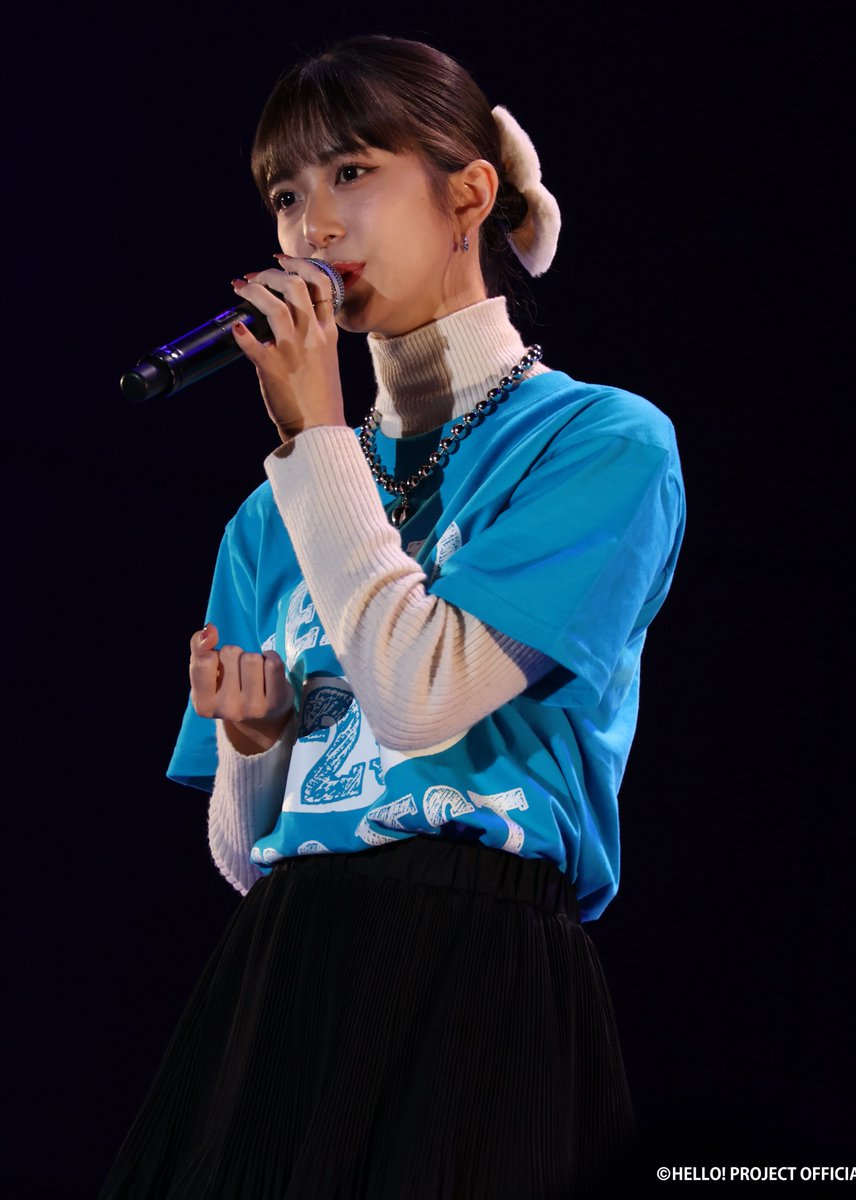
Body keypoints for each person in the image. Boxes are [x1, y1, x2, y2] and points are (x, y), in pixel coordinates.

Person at [101, 34, 685, 1200]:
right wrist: (255, 745)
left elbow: (423, 701)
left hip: (481, 965)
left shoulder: (601, 443)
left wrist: (316, 436)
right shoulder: (270, 516)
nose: (312, 226)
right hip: (289, 973)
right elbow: (251, 858)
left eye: (353, 172)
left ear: (468, 195)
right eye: (286, 195)